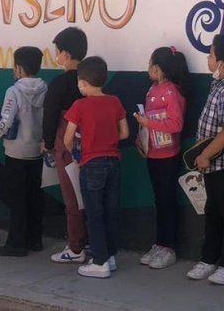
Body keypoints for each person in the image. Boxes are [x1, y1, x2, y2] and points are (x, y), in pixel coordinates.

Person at [186, 33, 224, 286]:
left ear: (221, 63)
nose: (207, 59)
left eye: (211, 55)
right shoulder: (218, 85)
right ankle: (209, 259)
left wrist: (205, 155)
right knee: (212, 211)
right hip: (211, 165)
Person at [64, 56, 129, 279]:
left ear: (82, 82)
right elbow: (125, 133)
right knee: (111, 212)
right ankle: (109, 257)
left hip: (91, 164)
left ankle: (99, 261)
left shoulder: (79, 105)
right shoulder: (115, 102)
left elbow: (67, 137)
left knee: (94, 214)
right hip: (114, 162)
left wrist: (75, 152)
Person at [0, 46, 47, 257]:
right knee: (34, 197)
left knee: (17, 200)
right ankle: (34, 240)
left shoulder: (13, 91)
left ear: (19, 68)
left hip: (16, 152)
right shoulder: (45, 88)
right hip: (37, 150)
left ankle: (16, 243)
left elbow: (6, 121)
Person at [133, 46, 188, 270]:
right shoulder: (151, 89)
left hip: (168, 155)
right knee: (158, 200)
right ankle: (160, 243)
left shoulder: (172, 92)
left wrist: (149, 123)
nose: (148, 68)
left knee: (167, 200)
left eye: (151, 64)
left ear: (161, 69)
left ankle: (170, 247)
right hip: (152, 153)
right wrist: (141, 136)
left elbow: (176, 124)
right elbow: (147, 119)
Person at [43, 26, 89, 264]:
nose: (57, 56)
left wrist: (48, 142)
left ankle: (75, 247)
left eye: (58, 52)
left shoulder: (60, 83)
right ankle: (90, 242)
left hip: (66, 146)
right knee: (90, 197)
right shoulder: (93, 79)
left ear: (67, 54)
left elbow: (50, 115)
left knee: (72, 199)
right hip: (92, 147)